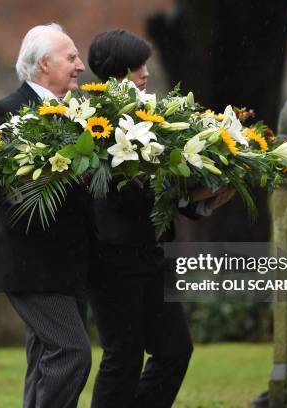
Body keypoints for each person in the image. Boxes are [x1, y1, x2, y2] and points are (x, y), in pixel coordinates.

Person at [87, 29, 234, 408]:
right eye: (137, 66)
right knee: (124, 356)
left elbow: (164, 186)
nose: (145, 73)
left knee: (174, 349)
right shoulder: (94, 121)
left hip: (151, 253)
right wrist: (189, 194)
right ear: (116, 71)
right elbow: (120, 194)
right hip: (113, 257)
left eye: (145, 64)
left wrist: (205, 201)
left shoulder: (152, 116)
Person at [0, 23, 90, 408]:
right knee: (72, 353)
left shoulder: (83, 113)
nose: (80, 66)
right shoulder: (3, 113)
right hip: (29, 263)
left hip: (69, 261)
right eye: (71, 57)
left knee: (45, 358)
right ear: (44, 64)